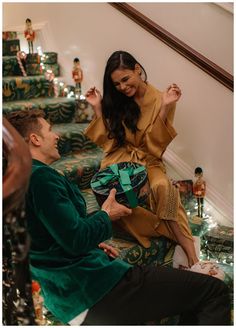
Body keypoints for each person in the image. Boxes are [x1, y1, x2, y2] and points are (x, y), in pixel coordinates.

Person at [6, 109, 230, 325]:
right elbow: (74, 239)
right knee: (214, 290)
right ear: (34, 139)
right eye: (50, 130)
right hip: (91, 289)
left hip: (68, 296)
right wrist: (106, 214)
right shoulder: (40, 178)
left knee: (191, 294)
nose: (56, 135)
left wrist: (93, 241)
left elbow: (50, 236)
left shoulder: (16, 181)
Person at [84, 50, 216, 273]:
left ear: (137, 69)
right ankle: (178, 237)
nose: (123, 88)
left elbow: (155, 147)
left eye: (125, 80)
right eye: (116, 84)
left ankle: (192, 258)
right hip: (120, 159)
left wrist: (164, 108)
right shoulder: (118, 100)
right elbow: (111, 142)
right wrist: (98, 107)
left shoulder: (161, 98)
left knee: (164, 187)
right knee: (121, 195)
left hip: (149, 160)